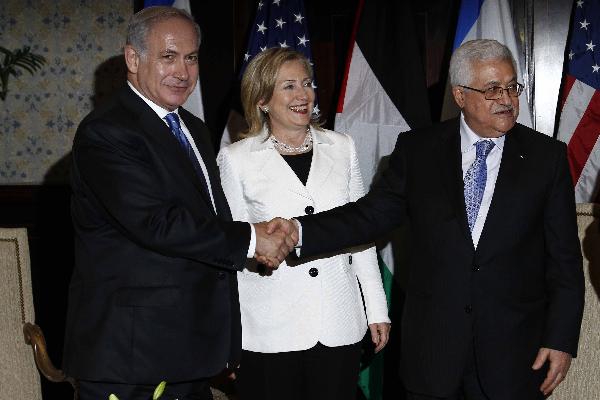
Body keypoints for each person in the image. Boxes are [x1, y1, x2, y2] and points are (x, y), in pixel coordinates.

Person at [269, 39, 585, 400]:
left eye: (512, 86)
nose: (507, 99)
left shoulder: (547, 159)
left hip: (514, 358)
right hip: (433, 357)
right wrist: (299, 230)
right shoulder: (418, 150)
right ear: (461, 95)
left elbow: (564, 262)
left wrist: (560, 339)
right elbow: (370, 216)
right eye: (493, 89)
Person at [63, 7, 293, 400]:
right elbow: (158, 224)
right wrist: (253, 241)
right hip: (132, 360)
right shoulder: (107, 132)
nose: (183, 72)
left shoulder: (193, 128)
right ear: (133, 59)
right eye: (168, 57)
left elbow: (209, 221)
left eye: (191, 58)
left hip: (189, 353)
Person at [216, 48, 391, 400]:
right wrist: (228, 336)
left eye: (307, 84)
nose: (303, 95)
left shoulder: (342, 147)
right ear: (262, 99)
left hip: (338, 323)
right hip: (268, 330)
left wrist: (376, 307)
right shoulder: (235, 159)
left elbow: (361, 231)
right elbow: (231, 252)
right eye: (289, 86)